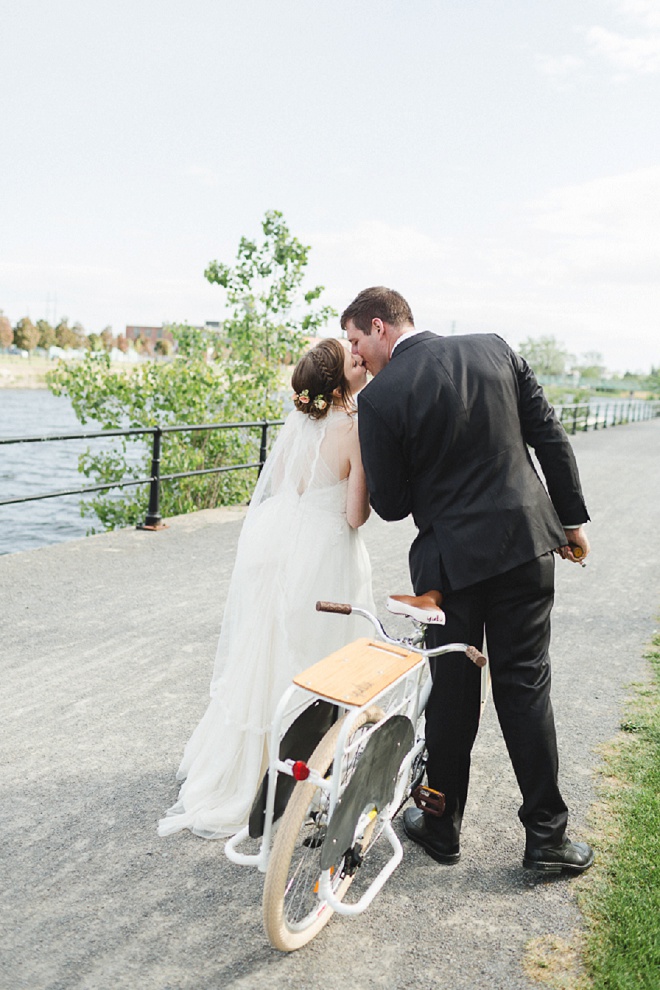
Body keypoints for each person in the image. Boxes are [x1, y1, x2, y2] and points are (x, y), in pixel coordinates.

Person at [342, 286, 594, 874]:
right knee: (525, 686)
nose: (356, 355)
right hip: (528, 544)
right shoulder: (496, 350)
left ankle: (440, 827)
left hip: (450, 568)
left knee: (452, 695)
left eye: (356, 341)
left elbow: (394, 504)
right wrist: (572, 521)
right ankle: (548, 839)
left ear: (379, 326)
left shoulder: (381, 398)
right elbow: (549, 435)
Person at [158, 338, 374, 840]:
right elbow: (354, 514)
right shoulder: (355, 429)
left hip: (279, 547)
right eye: (353, 359)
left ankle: (248, 766)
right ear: (340, 384)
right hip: (325, 554)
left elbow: (281, 491)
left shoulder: (297, 427)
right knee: (320, 658)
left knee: (267, 652)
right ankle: (305, 766)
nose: (360, 359)